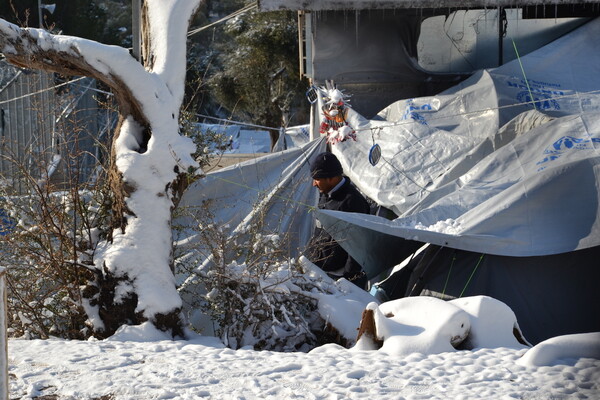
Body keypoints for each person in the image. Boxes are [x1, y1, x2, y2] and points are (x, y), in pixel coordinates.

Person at [306, 152, 370, 290]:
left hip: (340, 278)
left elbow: (357, 244)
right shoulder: (326, 194)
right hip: (322, 270)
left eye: (317, 179)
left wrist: (348, 278)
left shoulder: (352, 202)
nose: (313, 184)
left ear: (331, 178)